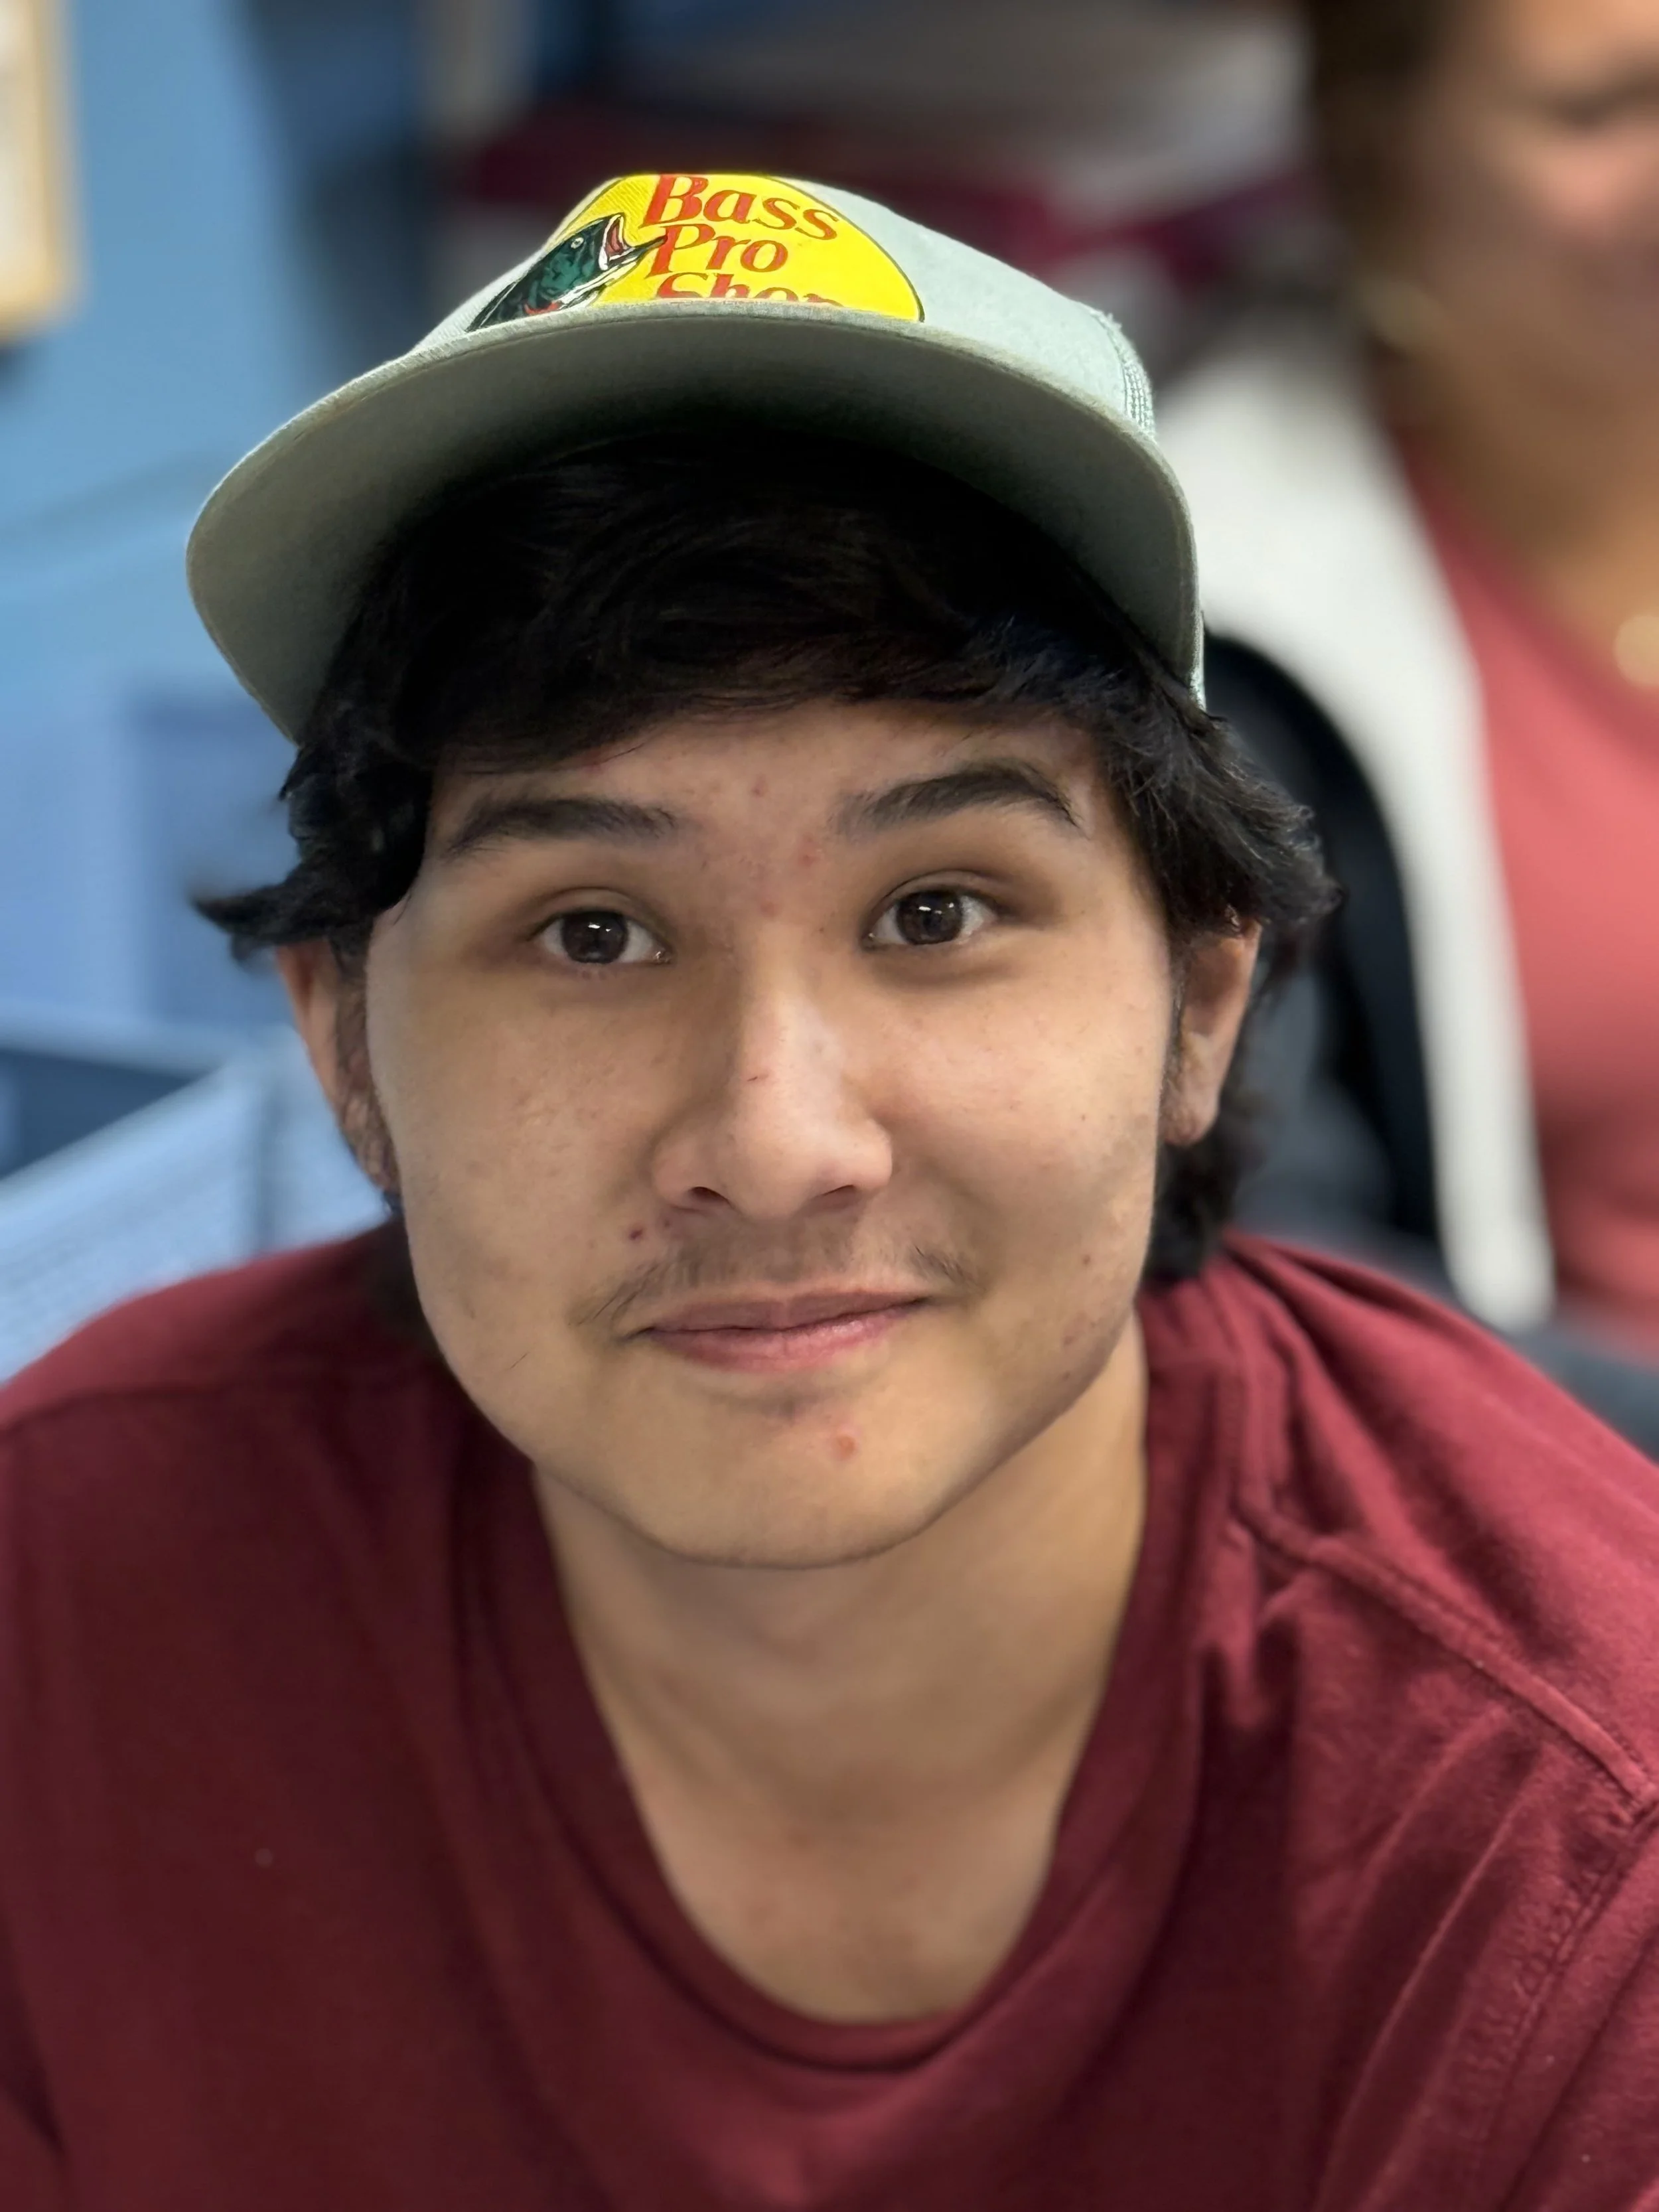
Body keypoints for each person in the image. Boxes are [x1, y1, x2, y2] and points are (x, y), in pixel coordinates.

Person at [3, 172, 1659, 2211]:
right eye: (594, 931)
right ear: (347, 1045)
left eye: (938, 908)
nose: (777, 1138)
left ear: (1199, 1006)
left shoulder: (1571, 1850)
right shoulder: (72, 1604)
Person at [1161, 0, 1659, 1451]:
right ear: (1381, 152)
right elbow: (1285, 1258)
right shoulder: (1237, 610)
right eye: (1595, 109)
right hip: (1583, 1487)